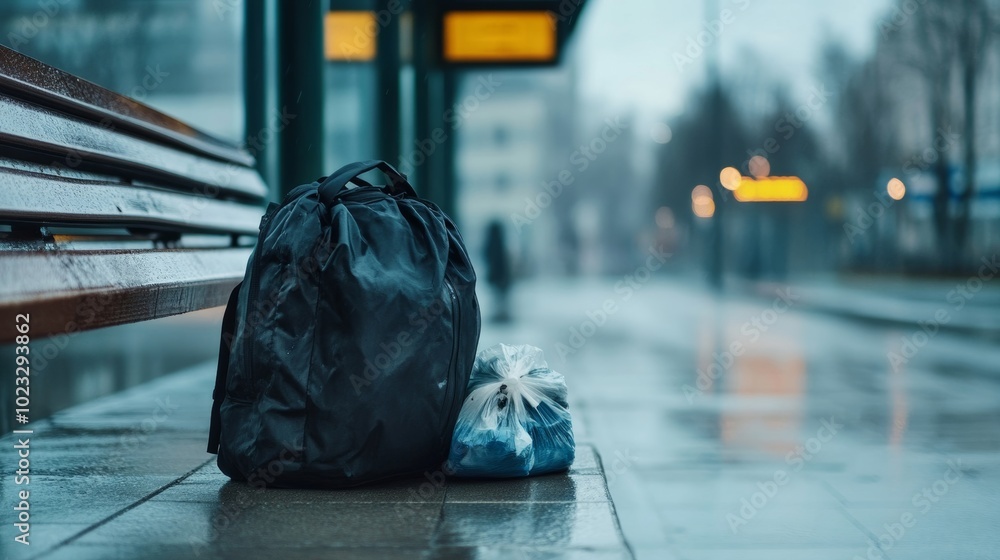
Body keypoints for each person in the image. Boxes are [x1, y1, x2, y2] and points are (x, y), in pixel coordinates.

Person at [483, 219, 513, 323]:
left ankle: (500, 315)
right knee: (501, 297)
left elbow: (489, 260)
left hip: (496, 275)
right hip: (502, 275)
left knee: (497, 296)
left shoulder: (490, 244)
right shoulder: (500, 243)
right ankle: (502, 315)